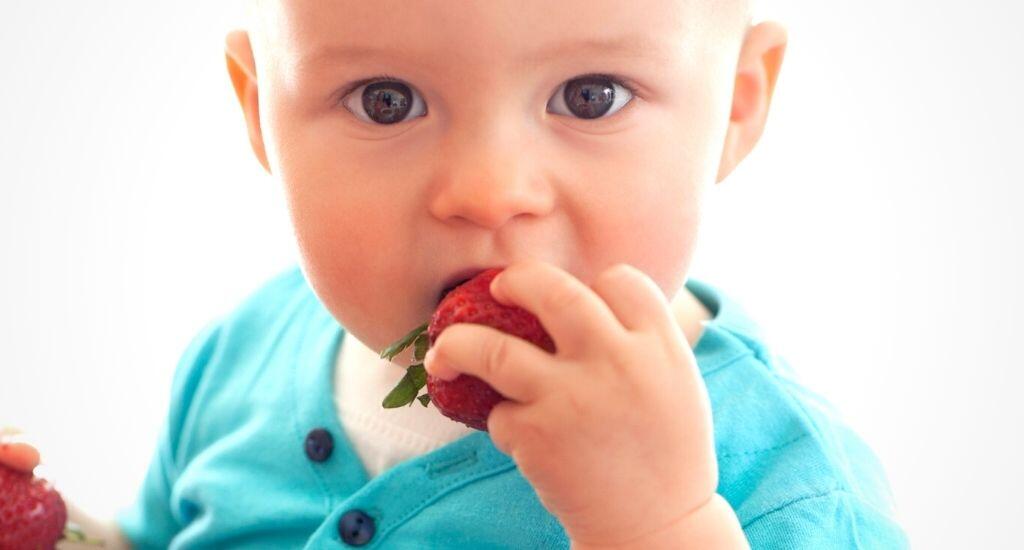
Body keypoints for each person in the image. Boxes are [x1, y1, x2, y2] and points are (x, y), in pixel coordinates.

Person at [3, 0, 910, 547]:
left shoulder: (791, 486)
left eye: (590, 96)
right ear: (259, 113)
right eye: (385, 101)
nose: (487, 191)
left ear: (738, 109)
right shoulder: (240, 355)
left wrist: (656, 528)